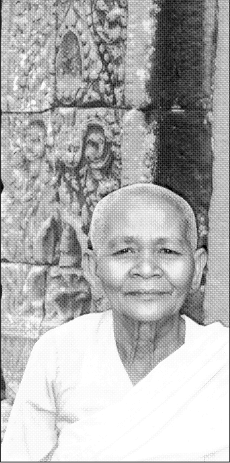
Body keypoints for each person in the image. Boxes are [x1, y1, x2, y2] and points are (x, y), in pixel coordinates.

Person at [1, 184, 229, 462]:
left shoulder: (221, 361)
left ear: (197, 268)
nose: (146, 270)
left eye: (168, 251)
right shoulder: (60, 354)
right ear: (92, 268)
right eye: (124, 251)